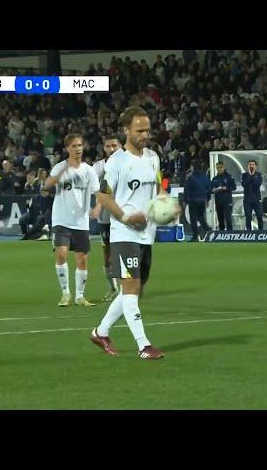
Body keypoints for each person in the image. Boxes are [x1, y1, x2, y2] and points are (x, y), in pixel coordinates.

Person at [91, 106, 174, 360]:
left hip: (146, 234)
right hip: (124, 234)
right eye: (140, 130)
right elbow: (103, 196)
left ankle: (100, 332)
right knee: (130, 287)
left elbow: (159, 186)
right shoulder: (116, 162)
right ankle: (143, 345)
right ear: (126, 130)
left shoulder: (152, 157)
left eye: (147, 130)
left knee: (135, 291)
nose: (145, 135)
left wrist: (165, 204)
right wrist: (126, 217)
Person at [43, 133, 100, 307]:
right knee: (61, 254)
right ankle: (66, 293)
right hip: (61, 218)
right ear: (67, 148)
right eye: (74, 146)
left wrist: (97, 207)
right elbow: (46, 188)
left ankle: (80, 296)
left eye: (80, 145)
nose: (78, 149)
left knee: (82, 259)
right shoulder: (59, 168)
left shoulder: (89, 170)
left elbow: (99, 193)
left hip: (80, 220)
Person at [93, 134, 122, 302]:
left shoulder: (128, 164)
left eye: (114, 146)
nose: (111, 149)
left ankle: (127, 288)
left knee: (125, 251)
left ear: (120, 146)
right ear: (104, 148)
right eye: (108, 146)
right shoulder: (98, 167)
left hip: (123, 215)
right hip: (105, 217)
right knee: (108, 255)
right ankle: (113, 287)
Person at [184, 161, 212, 241]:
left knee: (193, 218)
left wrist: (186, 200)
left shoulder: (191, 177)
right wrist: (207, 198)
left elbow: (187, 189)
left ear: (193, 167)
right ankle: (207, 229)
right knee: (200, 216)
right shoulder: (204, 177)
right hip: (202, 200)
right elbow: (209, 188)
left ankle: (195, 236)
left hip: (193, 200)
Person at [211, 161, 236, 230]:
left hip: (227, 201)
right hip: (218, 201)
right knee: (220, 219)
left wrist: (226, 188)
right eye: (218, 168)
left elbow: (234, 187)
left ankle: (230, 234)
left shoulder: (229, 177)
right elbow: (211, 189)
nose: (219, 169)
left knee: (228, 218)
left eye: (221, 167)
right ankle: (222, 234)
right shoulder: (215, 178)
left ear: (224, 167)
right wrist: (214, 190)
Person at [241, 160, 263, 230]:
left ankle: (261, 232)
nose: (251, 166)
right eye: (250, 164)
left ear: (255, 166)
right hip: (247, 200)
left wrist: (253, 175)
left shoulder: (259, 175)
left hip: (257, 199)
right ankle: (249, 233)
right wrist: (250, 176)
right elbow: (244, 184)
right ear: (247, 166)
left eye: (253, 164)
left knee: (259, 216)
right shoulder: (244, 175)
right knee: (248, 217)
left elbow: (257, 184)